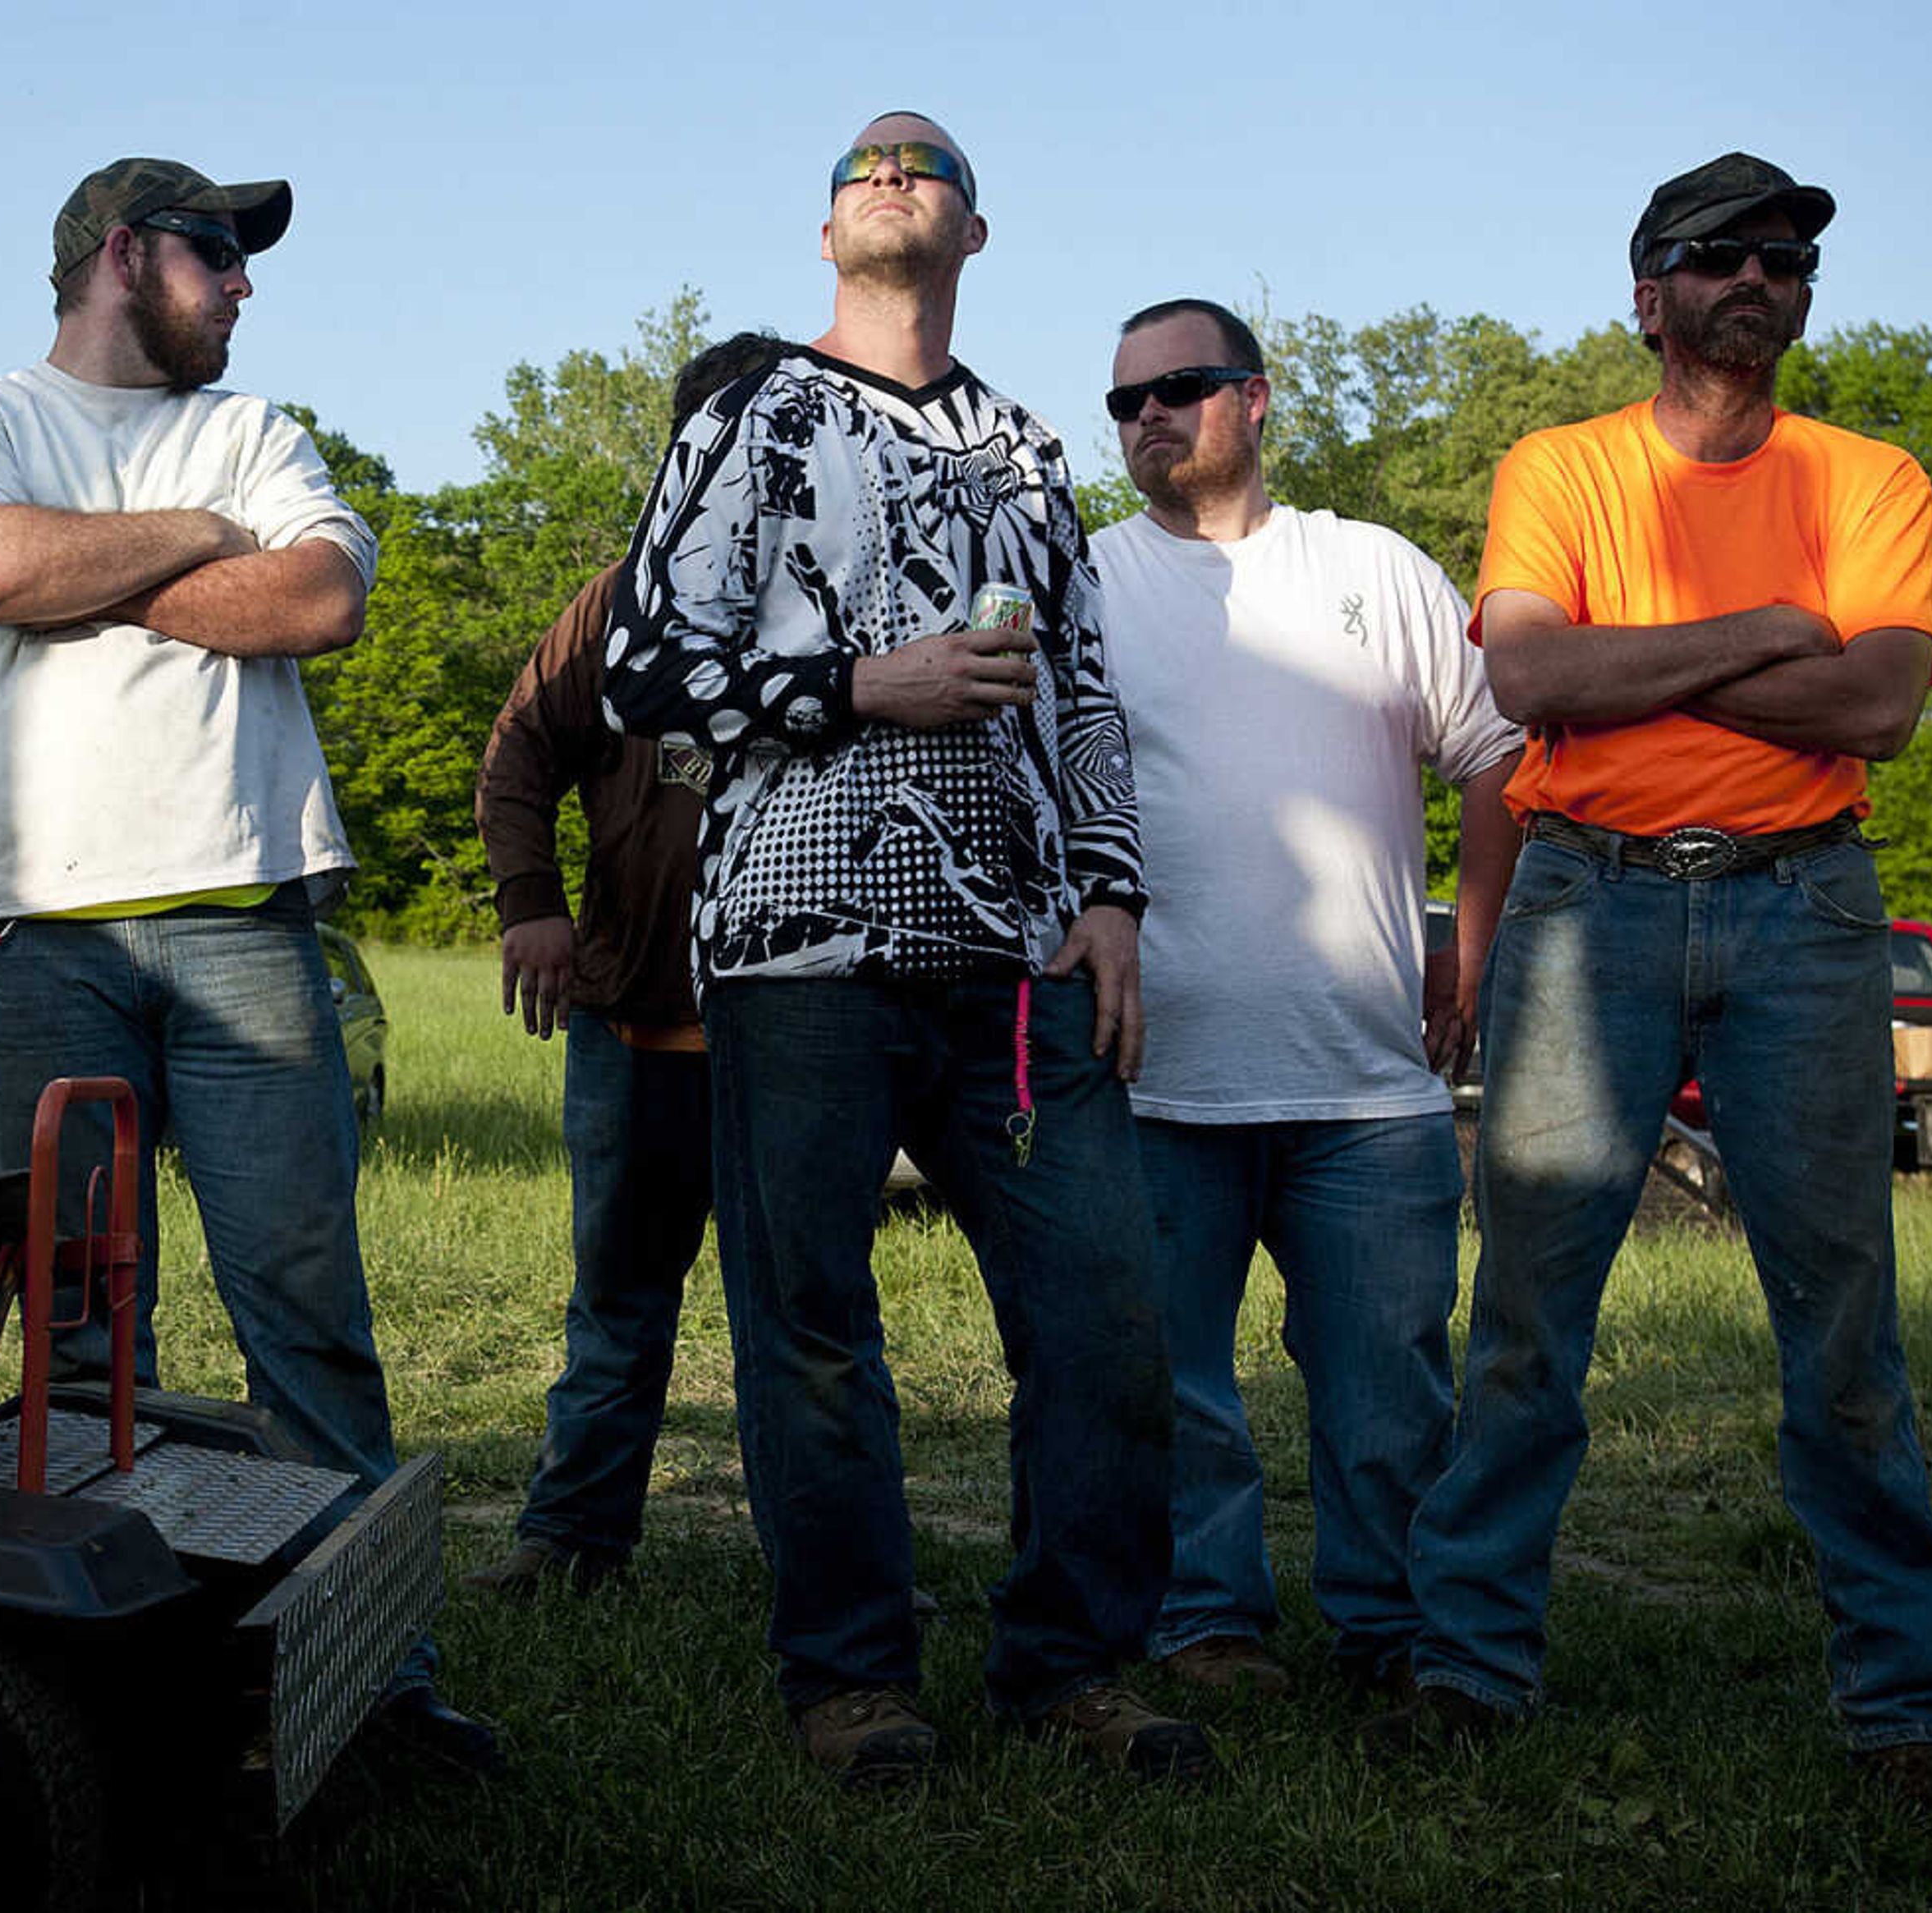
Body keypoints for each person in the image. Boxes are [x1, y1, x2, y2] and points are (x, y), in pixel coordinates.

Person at [1375, 152, 1932, 1817]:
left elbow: (1876, 707)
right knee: (1527, 1315)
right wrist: (1773, 631)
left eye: (1785, 256)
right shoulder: (1560, 467)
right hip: (1587, 911)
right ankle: (1469, 1670)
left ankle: (1906, 1708)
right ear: (1646, 293)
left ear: (1803, 296)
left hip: (1808, 913)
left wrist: (1643, 675)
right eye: (1716, 252)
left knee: (1847, 1323)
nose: (1758, 275)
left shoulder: (1871, 477)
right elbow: (1528, 673)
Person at [602, 111, 1209, 1788]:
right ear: (824, 239)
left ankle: (1072, 1666)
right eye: (859, 165)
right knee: (812, 1323)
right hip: (800, 948)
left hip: (1016, 956)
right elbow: (645, 673)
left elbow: (1085, 690)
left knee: (1101, 1316)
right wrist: (864, 685)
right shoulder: (752, 414)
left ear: (973, 232)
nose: (887, 171)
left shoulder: (1025, 445)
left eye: (922, 161)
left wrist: (1111, 896)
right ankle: (854, 1681)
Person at [0, 155, 493, 1771]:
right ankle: (109, 1695)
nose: (244, 288)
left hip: (244, 914)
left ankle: (375, 1684)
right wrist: (192, 544)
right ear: (127, 255)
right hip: (38, 932)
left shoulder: (261, 432)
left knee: (303, 1310)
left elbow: (311, 599)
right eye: (220, 255)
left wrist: (108, 560)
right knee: (87, 1332)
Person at [1087, 298, 1522, 1700]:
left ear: (1258, 399)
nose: (1150, 417)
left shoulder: (1376, 570)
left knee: (1390, 1391)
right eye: (1127, 403)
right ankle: (1206, 1620)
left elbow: (1497, 753)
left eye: (1182, 388)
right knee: (1177, 1390)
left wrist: (1478, 935)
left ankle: (1392, 1633)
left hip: (1369, 1081)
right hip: (1154, 1069)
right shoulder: (1085, 584)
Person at [465, 333, 790, 1598]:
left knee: (805, 1319)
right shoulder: (619, 600)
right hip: (631, 1031)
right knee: (617, 1306)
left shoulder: (855, 604)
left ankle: (833, 1555)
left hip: (796, 1040)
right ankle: (572, 1541)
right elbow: (517, 757)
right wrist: (531, 904)